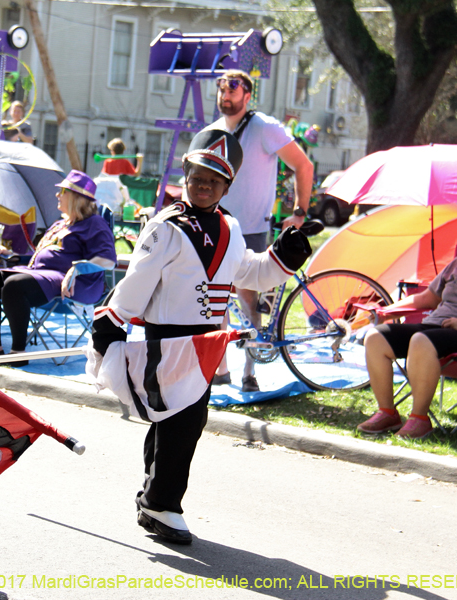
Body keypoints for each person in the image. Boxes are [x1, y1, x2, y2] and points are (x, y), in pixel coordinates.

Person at [91, 129, 311, 545]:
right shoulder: (165, 226)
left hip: (208, 341)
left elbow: (249, 272)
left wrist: (285, 256)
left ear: (227, 186)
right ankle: (161, 504)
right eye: (198, 176)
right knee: (181, 420)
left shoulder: (230, 226)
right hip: (169, 337)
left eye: (215, 179)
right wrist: (112, 319)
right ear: (186, 173)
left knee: (173, 418)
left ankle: (153, 494)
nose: (204, 185)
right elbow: (138, 279)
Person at [357, 211, 457, 439]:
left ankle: (419, 418)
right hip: (434, 328)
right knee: (376, 337)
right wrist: (387, 312)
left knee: (422, 340)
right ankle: (387, 412)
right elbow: (425, 299)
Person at [205, 69, 314, 393]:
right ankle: (220, 370)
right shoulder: (212, 132)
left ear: (247, 95)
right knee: (214, 301)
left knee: (248, 301)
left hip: (251, 229)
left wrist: (299, 212)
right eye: (221, 89)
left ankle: (248, 373)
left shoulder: (264, 127)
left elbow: (303, 166)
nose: (226, 95)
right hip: (217, 227)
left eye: (233, 89)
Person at [0, 170, 117, 365]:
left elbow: (108, 260)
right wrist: (9, 254)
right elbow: (40, 256)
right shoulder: (60, 224)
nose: (57, 195)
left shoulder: (94, 223)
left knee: (13, 285)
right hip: (40, 274)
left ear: (77, 198)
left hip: (73, 281)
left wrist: (78, 268)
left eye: (62, 191)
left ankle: (18, 353)